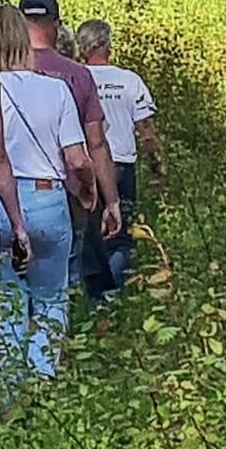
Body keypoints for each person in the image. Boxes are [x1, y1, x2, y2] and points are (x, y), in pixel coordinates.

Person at [0, 5, 95, 380]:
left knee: (10, 300)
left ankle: (9, 390)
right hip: (48, 199)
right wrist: (88, 188)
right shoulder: (55, 89)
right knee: (50, 299)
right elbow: (76, 157)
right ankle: (43, 382)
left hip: (1, 201)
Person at [17, 0, 122, 289]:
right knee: (63, 279)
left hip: (10, 190)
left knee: (14, 283)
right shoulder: (77, 75)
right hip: (67, 191)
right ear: (57, 25)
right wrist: (110, 199)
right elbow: (96, 143)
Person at [76, 18, 163, 300]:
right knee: (120, 237)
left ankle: (89, 297)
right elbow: (146, 130)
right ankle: (110, 297)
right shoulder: (129, 80)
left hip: (84, 166)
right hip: (121, 165)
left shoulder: (73, 77)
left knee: (87, 235)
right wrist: (157, 164)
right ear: (108, 45)